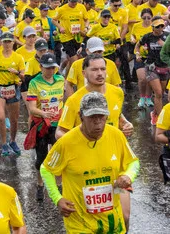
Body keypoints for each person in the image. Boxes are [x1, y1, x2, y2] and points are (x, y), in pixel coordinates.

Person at [41, 92, 140, 233]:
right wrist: (58, 198)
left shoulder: (116, 135)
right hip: (79, 223)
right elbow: (46, 169)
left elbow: (133, 162)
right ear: (81, 116)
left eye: (101, 117)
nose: (98, 123)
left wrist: (128, 176)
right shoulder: (66, 142)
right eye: (92, 117)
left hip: (112, 221)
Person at [26, 53, 64, 201]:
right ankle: (40, 185)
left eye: (52, 68)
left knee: (59, 155)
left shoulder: (60, 80)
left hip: (58, 125)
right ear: (41, 67)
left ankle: (59, 186)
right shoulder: (34, 83)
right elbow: (32, 108)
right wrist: (44, 113)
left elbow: (64, 100)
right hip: (42, 125)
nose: (50, 71)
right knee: (41, 157)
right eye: (47, 68)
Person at [135, 16, 169, 125]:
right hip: (151, 67)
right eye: (157, 26)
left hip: (164, 67)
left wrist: (164, 45)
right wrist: (137, 54)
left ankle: (154, 113)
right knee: (158, 93)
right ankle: (161, 120)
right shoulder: (147, 37)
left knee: (161, 94)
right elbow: (137, 45)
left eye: (162, 26)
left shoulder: (167, 36)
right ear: (153, 27)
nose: (160, 28)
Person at [132, 8, 154, 108]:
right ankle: (142, 97)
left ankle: (148, 97)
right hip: (139, 56)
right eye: (144, 18)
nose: (146, 20)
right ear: (141, 17)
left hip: (151, 57)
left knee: (149, 79)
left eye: (148, 18)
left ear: (152, 18)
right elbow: (133, 37)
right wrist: (133, 40)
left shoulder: (154, 27)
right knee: (142, 79)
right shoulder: (136, 26)